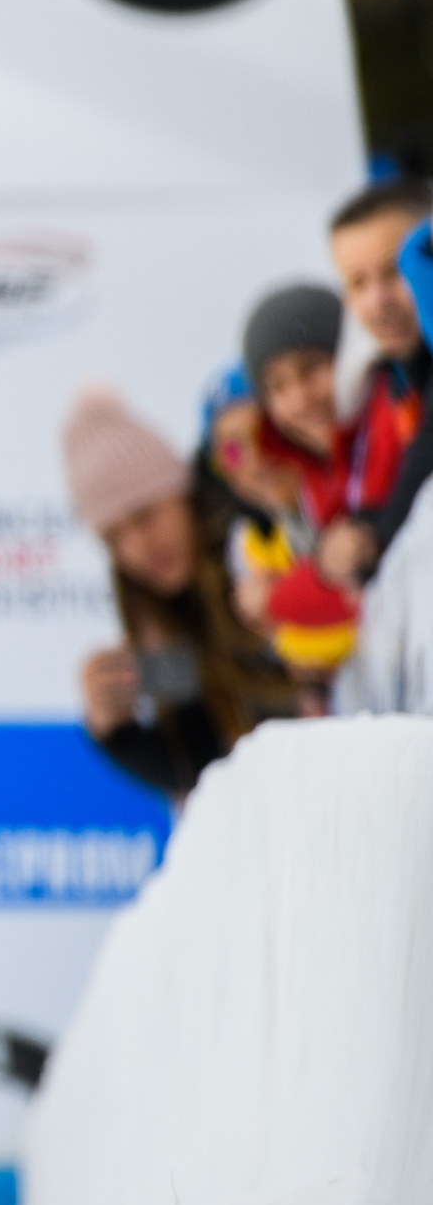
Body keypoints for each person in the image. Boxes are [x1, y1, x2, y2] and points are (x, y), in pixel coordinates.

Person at [67, 385, 296, 797]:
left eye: (143, 515)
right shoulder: (162, 614)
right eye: (113, 538)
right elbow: (201, 763)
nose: (136, 548)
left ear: (180, 491)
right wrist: (115, 731)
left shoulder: (259, 533)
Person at [208, 286, 361, 677]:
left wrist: (282, 598)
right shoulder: (253, 541)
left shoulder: (357, 473)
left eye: (262, 435)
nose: (255, 461)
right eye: (232, 452)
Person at [313, 180, 433, 587]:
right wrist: (361, 532)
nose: (378, 301)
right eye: (357, 283)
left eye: (394, 271)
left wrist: (375, 537)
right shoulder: (388, 380)